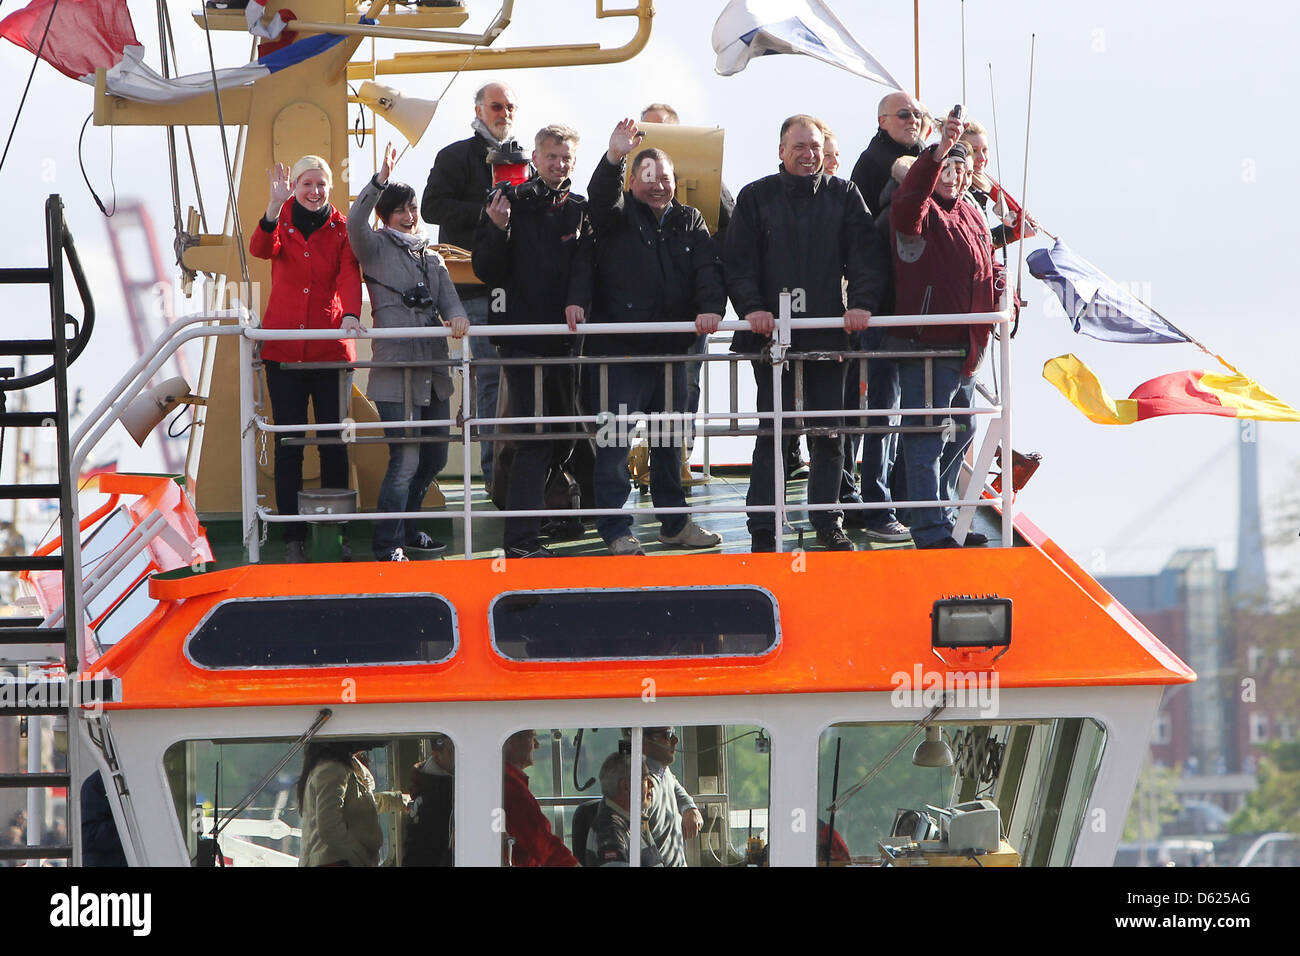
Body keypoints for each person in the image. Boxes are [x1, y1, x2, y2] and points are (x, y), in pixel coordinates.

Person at [726, 115, 887, 552]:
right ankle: (763, 526)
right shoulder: (755, 197)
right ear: (781, 150)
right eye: (798, 145)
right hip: (769, 339)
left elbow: (866, 257)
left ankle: (827, 522)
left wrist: (861, 304)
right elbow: (737, 263)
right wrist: (753, 309)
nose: (807, 153)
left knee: (829, 433)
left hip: (827, 336)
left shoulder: (845, 196)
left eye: (814, 146)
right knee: (773, 432)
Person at [577, 119, 724, 556]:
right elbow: (601, 199)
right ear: (631, 181)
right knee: (613, 445)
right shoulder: (615, 215)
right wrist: (613, 157)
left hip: (673, 355)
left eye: (665, 178)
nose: (658, 186)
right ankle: (616, 528)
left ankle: (674, 523)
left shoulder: (690, 218)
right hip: (619, 357)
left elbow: (706, 269)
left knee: (667, 444)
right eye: (648, 178)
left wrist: (711, 307)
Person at [472, 124, 589, 559]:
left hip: (564, 341)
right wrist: (497, 227)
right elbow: (486, 268)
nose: (559, 165)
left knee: (566, 436)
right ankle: (519, 541)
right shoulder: (506, 204)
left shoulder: (579, 209)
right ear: (535, 160)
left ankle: (544, 514)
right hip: (521, 340)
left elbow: (584, 267)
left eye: (566, 158)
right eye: (552, 157)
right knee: (534, 438)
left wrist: (577, 302)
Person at [889, 111, 1004, 550]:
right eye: (946, 168)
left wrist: (1003, 297)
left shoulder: (971, 214)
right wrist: (937, 150)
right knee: (925, 437)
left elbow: (988, 261)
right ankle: (930, 529)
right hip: (930, 347)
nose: (954, 176)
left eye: (960, 167)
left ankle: (945, 515)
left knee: (962, 433)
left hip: (968, 348)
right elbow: (910, 198)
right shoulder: (918, 212)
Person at [349, 143, 469, 561]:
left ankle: (410, 527)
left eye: (412, 207)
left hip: (433, 372)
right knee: (405, 458)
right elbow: (353, 221)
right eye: (400, 209)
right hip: (394, 373)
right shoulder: (375, 247)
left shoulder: (430, 257)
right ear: (385, 214)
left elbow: (449, 301)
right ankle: (388, 544)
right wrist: (379, 179)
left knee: (434, 455)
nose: (409, 215)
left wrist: (456, 319)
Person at [250, 155, 362, 563]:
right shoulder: (280, 220)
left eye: (320, 185)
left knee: (334, 443)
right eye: (306, 185)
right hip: (283, 353)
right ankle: (291, 537)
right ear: (294, 187)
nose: (314, 192)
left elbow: (350, 273)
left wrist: (351, 313)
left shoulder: (344, 227)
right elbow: (261, 249)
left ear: (329, 187)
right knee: (289, 445)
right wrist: (271, 207)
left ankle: (336, 533)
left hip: (329, 351)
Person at [422, 81, 519, 490]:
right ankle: (495, 478)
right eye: (497, 106)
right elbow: (430, 207)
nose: (505, 113)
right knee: (490, 378)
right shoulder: (455, 156)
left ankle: (516, 476)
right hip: (473, 288)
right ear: (479, 111)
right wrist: (485, 209)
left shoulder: (522, 160)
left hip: (514, 288)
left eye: (510, 107)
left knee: (518, 380)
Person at [638, 102, 737, 475]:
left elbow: (733, 230)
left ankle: (677, 456)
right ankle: (640, 455)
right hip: (639, 308)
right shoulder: (625, 186)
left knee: (685, 384)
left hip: (688, 305)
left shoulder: (709, 180)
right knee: (633, 386)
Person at [297, 741, 407, 867]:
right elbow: (329, 827)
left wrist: (395, 800)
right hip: (336, 862)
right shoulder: (332, 768)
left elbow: (352, 808)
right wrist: (360, 857)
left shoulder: (330, 767)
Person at [501, 729, 581, 866]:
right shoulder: (510, 786)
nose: (537, 745)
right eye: (532, 738)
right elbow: (539, 841)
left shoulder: (506, 780)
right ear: (510, 742)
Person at [637, 726, 701, 867]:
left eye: (674, 733)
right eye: (668, 734)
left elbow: (675, 785)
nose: (675, 739)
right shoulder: (642, 789)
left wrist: (689, 807)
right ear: (644, 742)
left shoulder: (663, 771)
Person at [585, 752, 663, 867]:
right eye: (646, 778)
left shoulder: (633, 821)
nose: (651, 784)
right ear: (626, 786)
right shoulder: (611, 830)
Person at [403, 733, 455, 867]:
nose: (458, 757)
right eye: (452, 752)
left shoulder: (425, 784)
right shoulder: (439, 796)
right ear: (437, 756)